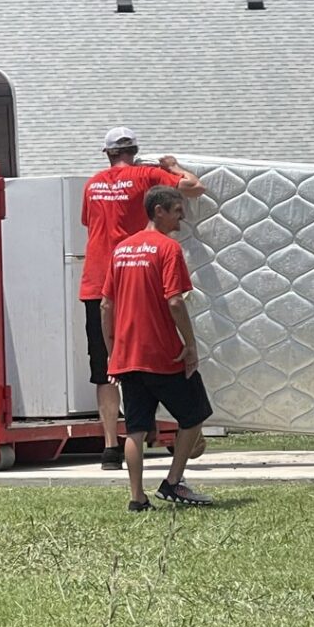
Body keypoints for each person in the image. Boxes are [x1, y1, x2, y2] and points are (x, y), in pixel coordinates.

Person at [80, 127, 204, 470]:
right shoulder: (147, 175)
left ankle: (111, 447)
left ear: (107, 154)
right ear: (135, 151)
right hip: (138, 278)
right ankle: (178, 425)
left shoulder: (92, 184)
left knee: (107, 367)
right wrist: (173, 166)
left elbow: (88, 223)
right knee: (154, 358)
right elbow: (194, 186)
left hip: (98, 281)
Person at [101, 185, 214, 509]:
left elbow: (106, 305)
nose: (182, 217)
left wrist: (113, 351)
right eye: (177, 211)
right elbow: (175, 301)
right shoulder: (168, 249)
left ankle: (137, 498)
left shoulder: (121, 250)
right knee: (195, 414)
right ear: (159, 211)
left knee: (135, 429)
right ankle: (173, 483)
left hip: (127, 356)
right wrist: (190, 345)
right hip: (162, 353)